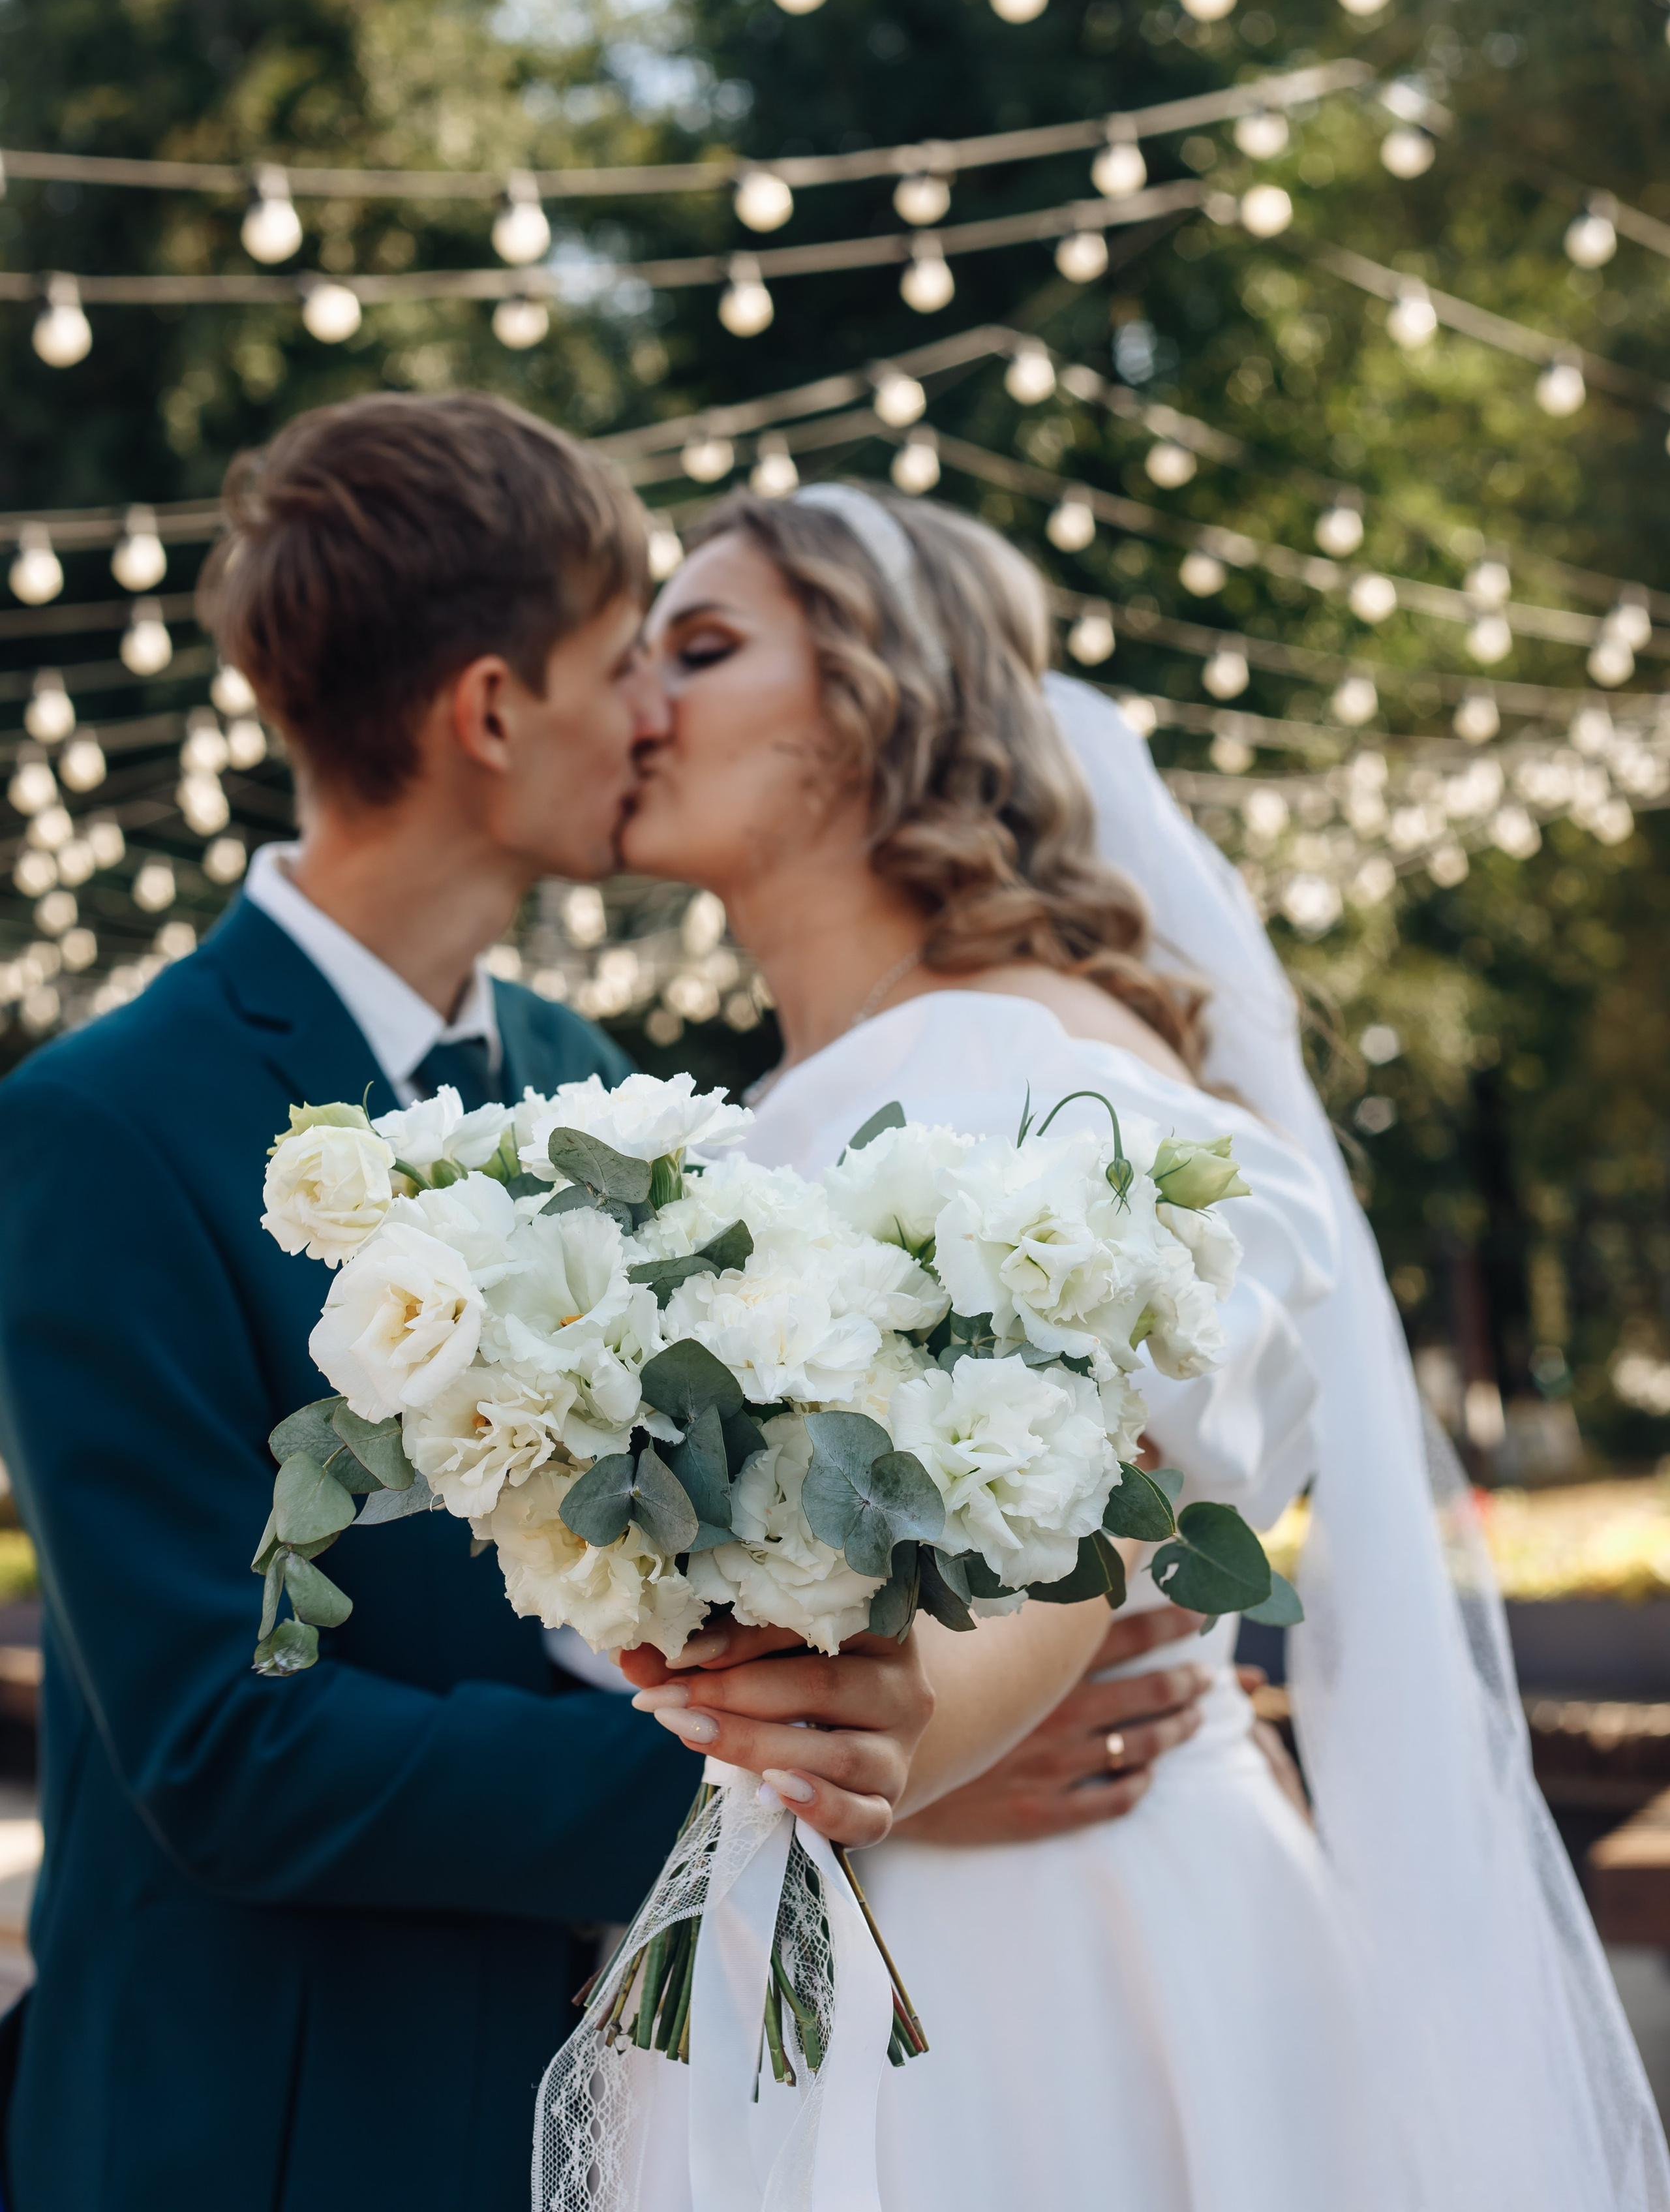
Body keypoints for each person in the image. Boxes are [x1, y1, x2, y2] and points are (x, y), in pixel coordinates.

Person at [617, 479, 1670, 2212]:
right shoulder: (781, 1107)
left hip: (1044, 1948)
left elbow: (1084, 1519)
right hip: (850, 1925)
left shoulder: (1027, 1058)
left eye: (706, 647)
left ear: (892, 693)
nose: (639, 700)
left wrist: (906, 1741)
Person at [0, 398, 934, 2212]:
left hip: (571, 2091)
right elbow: (224, 1743)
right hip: (250, 2129)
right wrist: (760, 1780)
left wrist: (921, 1672)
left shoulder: (603, 1092)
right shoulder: (96, 1131)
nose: (655, 711)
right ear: (493, 712)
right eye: (619, 661)